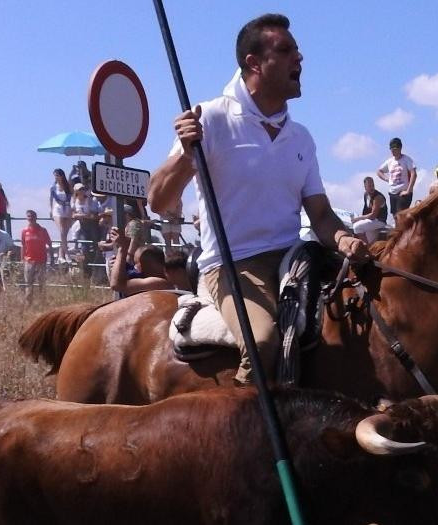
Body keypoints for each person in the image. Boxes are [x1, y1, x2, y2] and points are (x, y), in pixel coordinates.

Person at [147, 13, 369, 385]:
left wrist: (345, 239)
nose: (299, 59)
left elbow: (320, 213)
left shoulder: (301, 138)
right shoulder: (211, 118)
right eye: (285, 50)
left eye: (297, 50)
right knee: (263, 343)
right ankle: (244, 432)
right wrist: (186, 155)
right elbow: (158, 199)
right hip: (233, 265)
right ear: (253, 63)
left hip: (292, 258)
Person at [108, 227, 173, 297]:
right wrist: (117, 265)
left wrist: (122, 249)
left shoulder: (160, 283)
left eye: (137, 263)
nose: (135, 267)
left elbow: (117, 285)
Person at [376, 137, 416, 222]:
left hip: (403, 192)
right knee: (395, 215)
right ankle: (399, 232)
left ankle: (403, 232)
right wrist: (387, 179)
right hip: (393, 192)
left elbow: (413, 174)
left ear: (400, 148)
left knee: (401, 214)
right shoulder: (390, 161)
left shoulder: (406, 159)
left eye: (395, 149)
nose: (393, 151)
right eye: (392, 149)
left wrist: (408, 190)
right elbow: (379, 171)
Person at [19, 210, 52, 303]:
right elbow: (23, 245)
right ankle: (29, 303)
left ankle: (42, 301)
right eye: (28, 216)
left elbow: (49, 244)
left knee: (41, 282)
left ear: (36, 217)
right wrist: (22, 259)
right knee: (28, 283)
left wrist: (52, 258)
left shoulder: (42, 230)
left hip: (41, 260)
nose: (30, 218)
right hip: (29, 260)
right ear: (27, 218)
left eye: (32, 216)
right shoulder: (24, 231)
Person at [351, 176, 388, 243]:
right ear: (365, 187)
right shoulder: (366, 195)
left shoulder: (378, 197)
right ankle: (368, 250)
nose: (372, 187)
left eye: (373, 185)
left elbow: (373, 215)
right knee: (371, 242)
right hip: (371, 221)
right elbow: (365, 211)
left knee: (357, 227)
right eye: (369, 186)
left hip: (379, 221)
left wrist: (358, 219)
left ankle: (365, 248)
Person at [49, 169, 74, 263]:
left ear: (62, 175)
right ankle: (67, 253)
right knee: (62, 231)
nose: (56, 177)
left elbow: (73, 197)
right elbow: (51, 199)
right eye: (55, 175)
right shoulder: (53, 187)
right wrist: (50, 210)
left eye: (57, 175)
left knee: (64, 234)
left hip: (67, 208)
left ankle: (60, 255)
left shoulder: (68, 186)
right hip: (58, 209)